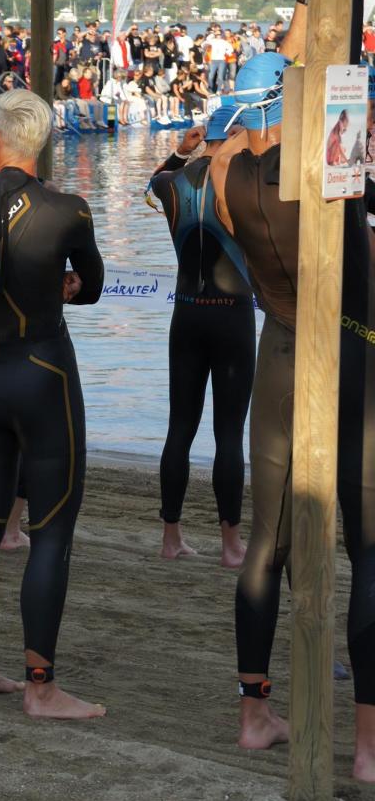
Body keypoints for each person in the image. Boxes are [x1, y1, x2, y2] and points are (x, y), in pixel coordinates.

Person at [211, 0, 375, 776]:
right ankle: (368, 746)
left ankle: (254, 712)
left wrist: (306, 4)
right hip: (350, 349)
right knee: (370, 548)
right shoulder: (332, 173)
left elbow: (263, 95)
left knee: (266, 543)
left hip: (278, 348)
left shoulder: (223, 176)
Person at [0, 90, 105, 718]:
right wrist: (60, 285)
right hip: (44, 377)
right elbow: (91, 287)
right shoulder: (69, 209)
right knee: (50, 534)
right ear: (41, 142)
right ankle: (41, 688)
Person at [149, 106, 254, 567]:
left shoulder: (172, 183)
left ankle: (171, 538)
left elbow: (152, 182)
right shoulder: (244, 183)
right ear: (236, 136)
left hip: (187, 314)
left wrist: (179, 151)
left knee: (179, 428)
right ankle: (231, 545)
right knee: (228, 434)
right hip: (231, 315)